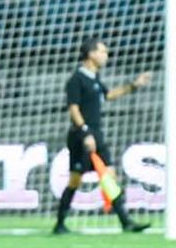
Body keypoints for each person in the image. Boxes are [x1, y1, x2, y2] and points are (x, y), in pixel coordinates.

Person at [54, 37, 151, 235]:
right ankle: (60, 224)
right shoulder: (76, 79)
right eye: (103, 51)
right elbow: (73, 109)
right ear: (91, 54)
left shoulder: (94, 78)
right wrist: (85, 132)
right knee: (75, 180)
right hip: (81, 137)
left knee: (109, 176)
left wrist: (134, 85)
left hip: (96, 135)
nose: (106, 55)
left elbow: (109, 95)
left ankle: (126, 222)